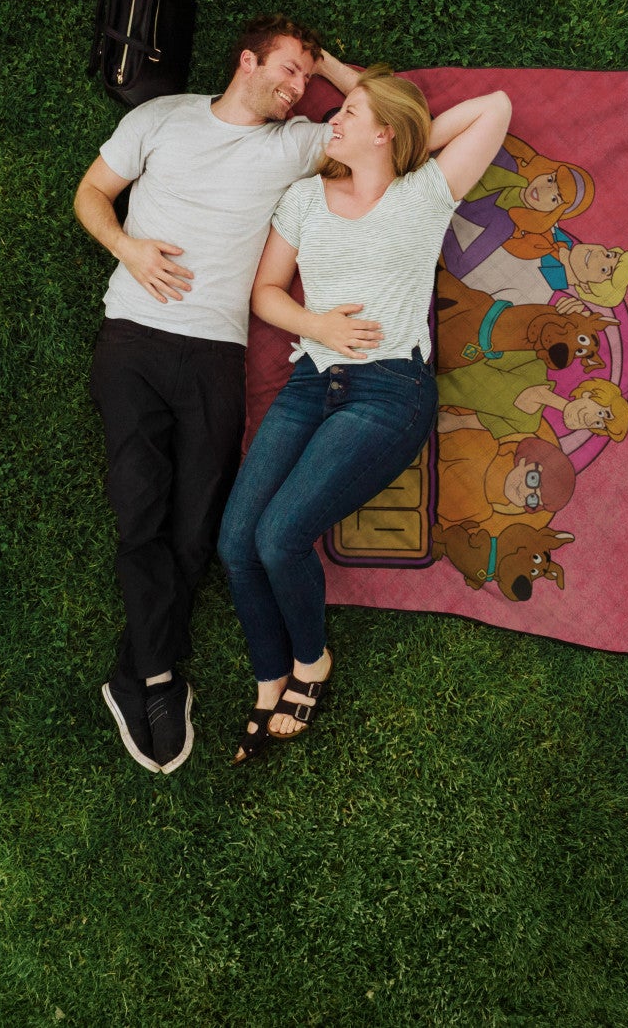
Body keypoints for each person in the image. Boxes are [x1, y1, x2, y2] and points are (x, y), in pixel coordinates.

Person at [72, 15, 363, 775]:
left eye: (307, 78)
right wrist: (128, 247)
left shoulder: (294, 144)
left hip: (214, 355)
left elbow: (390, 117)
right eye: (290, 69)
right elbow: (92, 192)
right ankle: (158, 680)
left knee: (197, 527)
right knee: (141, 509)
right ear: (246, 60)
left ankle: (135, 671)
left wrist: (332, 64)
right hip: (133, 339)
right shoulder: (160, 118)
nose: (299, 89)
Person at [216, 67, 513, 766]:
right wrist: (318, 323)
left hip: (389, 393)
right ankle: (268, 676)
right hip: (310, 382)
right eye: (339, 110)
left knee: (280, 536)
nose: (334, 119)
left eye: (350, 113)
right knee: (235, 542)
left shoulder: (425, 191)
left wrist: (392, 130)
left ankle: (311, 662)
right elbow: (266, 291)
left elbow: (495, 107)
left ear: (385, 132)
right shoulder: (304, 199)